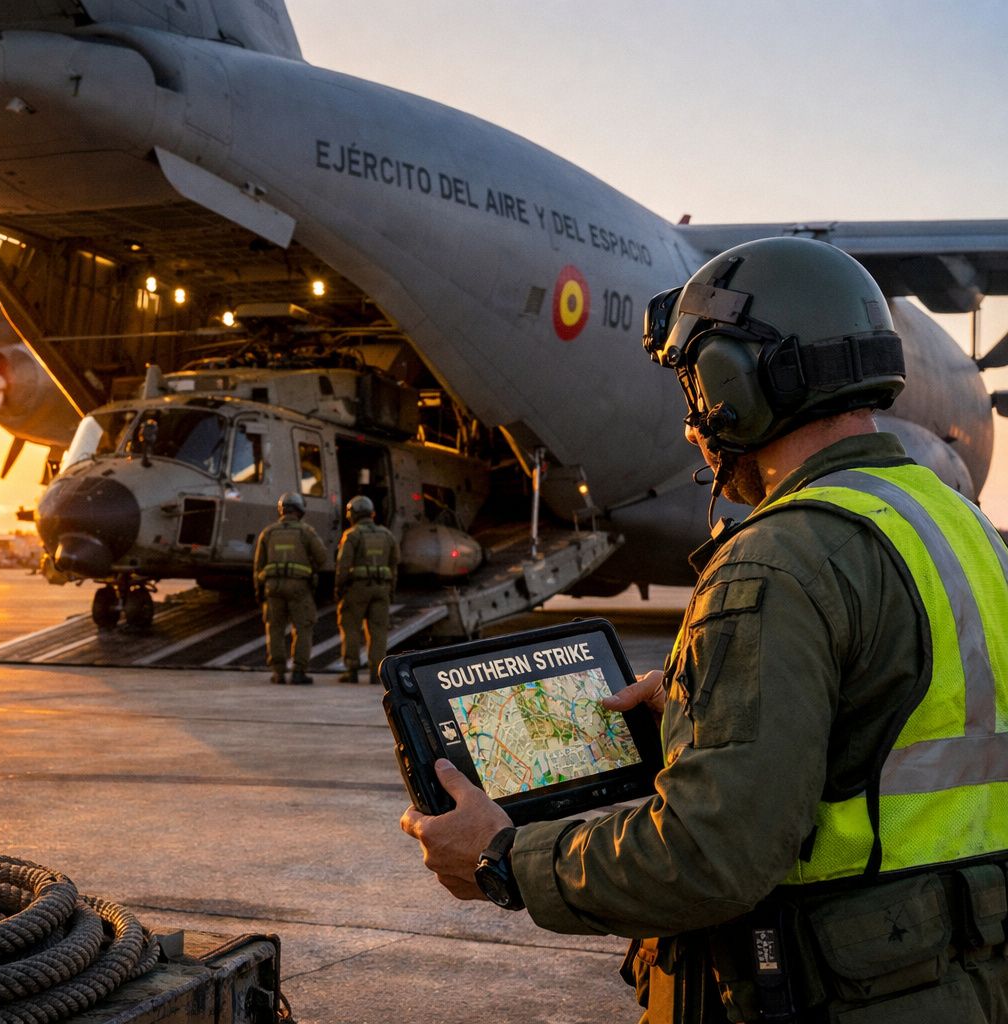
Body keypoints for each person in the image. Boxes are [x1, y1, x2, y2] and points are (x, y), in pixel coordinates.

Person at [399, 236, 1008, 1022]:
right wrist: (699, 714)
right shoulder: (959, 526)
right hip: (962, 977)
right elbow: (903, 729)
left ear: (735, 383)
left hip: (841, 993)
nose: (693, 425)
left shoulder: (780, 559)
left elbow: (711, 857)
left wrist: (503, 857)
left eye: (696, 386)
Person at [253, 492, 328, 685]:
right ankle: (298, 672)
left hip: (273, 588)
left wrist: (258, 592)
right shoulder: (306, 532)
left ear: (281, 510)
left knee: (275, 629)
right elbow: (322, 558)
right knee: (303, 628)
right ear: (300, 510)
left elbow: (258, 566)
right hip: (299, 588)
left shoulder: (268, 533)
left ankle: (278, 673)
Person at [333, 495, 398, 684]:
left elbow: (343, 565)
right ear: (372, 513)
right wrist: (391, 590)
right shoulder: (387, 535)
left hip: (357, 589)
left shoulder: (352, 535)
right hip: (381, 589)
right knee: (378, 631)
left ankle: (352, 670)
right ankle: (376, 673)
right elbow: (394, 566)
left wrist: (339, 588)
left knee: (351, 628)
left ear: (351, 515)